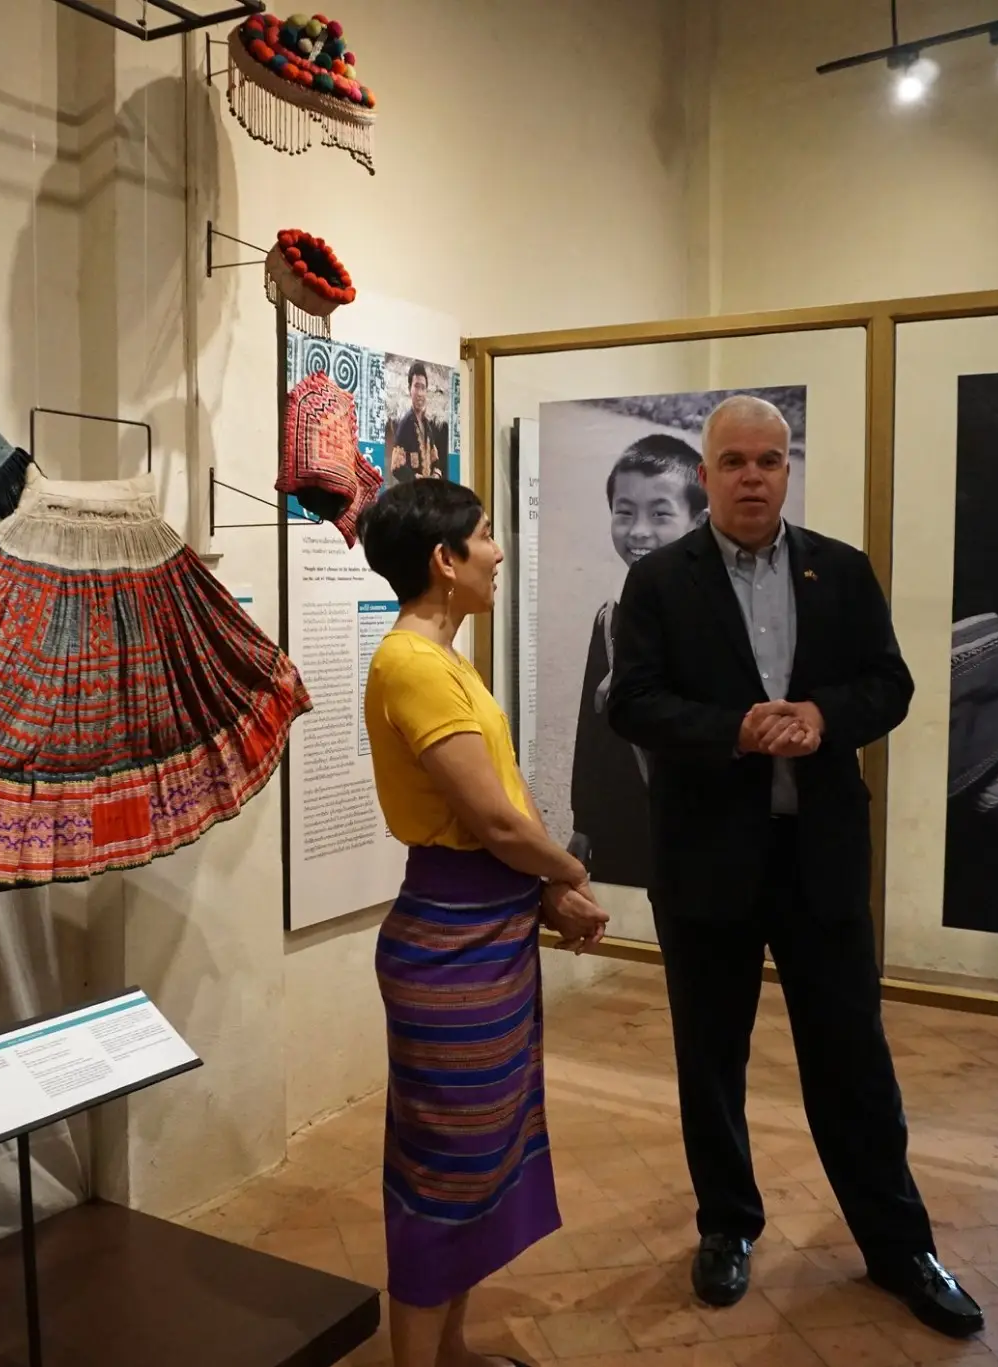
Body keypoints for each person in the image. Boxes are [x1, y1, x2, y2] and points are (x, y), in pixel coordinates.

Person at [606, 394, 983, 1337]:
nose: (752, 478)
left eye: (768, 461)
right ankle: (727, 1225)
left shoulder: (839, 571)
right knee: (711, 1056)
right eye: (733, 462)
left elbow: (889, 682)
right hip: (707, 860)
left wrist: (824, 716)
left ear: (787, 471)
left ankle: (900, 1246)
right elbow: (632, 704)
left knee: (854, 1058)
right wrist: (733, 729)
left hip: (819, 857)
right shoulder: (658, 582)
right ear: (706, 475)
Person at [359, 477, 609, 1367]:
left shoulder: (444, 658)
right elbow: (496, 823)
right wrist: (568, 871)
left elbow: (501, 802)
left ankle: (452, 1349)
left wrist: (541, 890)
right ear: (445, 558)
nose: (499, 552)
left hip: (488, 931)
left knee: (479, 1158)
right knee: (444, 1169)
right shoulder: (412, 664)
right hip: (451, 948)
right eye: (487, 535)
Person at [570, 434, 708, 888]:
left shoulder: (716, 614)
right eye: (624, 512)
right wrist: (585, 819)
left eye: (660, 514)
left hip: (700, 815)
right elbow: (591, 727)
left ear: (699, 521)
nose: (639, 531)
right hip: (622, 812)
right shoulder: (610, 618)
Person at [388, 362, 448, 484]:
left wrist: (436, 474)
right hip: (411, 492)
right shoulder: (405, 425)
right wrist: (416, 478)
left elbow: (435, 459)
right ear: (409, 389)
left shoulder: (428, 426)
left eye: (423, 388)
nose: (420, 393)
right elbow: (396, 467)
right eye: (416, 386)